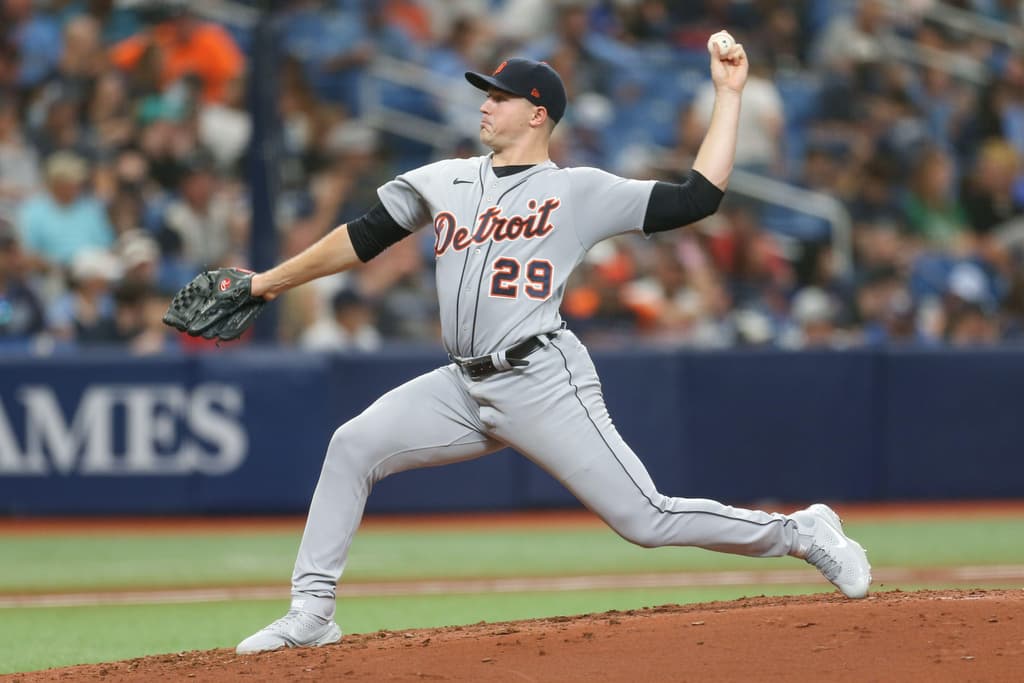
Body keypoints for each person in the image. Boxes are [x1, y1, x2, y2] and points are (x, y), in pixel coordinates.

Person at [235, 40, 872, 655]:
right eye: (486, 94)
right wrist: (265, 284)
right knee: (352, 445)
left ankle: (800, 531)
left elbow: (697, 197)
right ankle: (312, 612)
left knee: (645, 519)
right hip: (461, 384)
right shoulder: (444, 179)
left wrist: (728, 95)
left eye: (499, 96)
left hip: (540, 376)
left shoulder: (577, 191)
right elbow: (362, 236)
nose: (485, 104)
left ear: (537, 113)